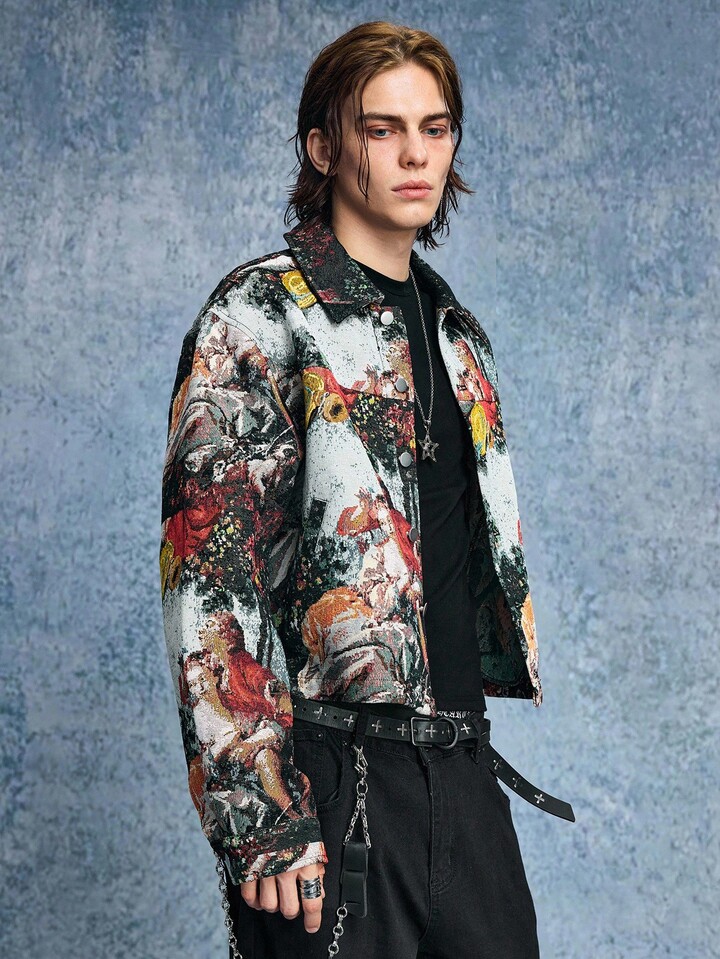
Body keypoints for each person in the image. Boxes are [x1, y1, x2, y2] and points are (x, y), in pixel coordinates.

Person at [159, 19, 575, 959]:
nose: (415, 154)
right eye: (382, 129)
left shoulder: (457, 334)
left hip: (461, 770)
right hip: (328, 775)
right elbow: (209, 571)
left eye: (435, 127)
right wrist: (258, 812)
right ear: (323, 147)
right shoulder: (260, 314)